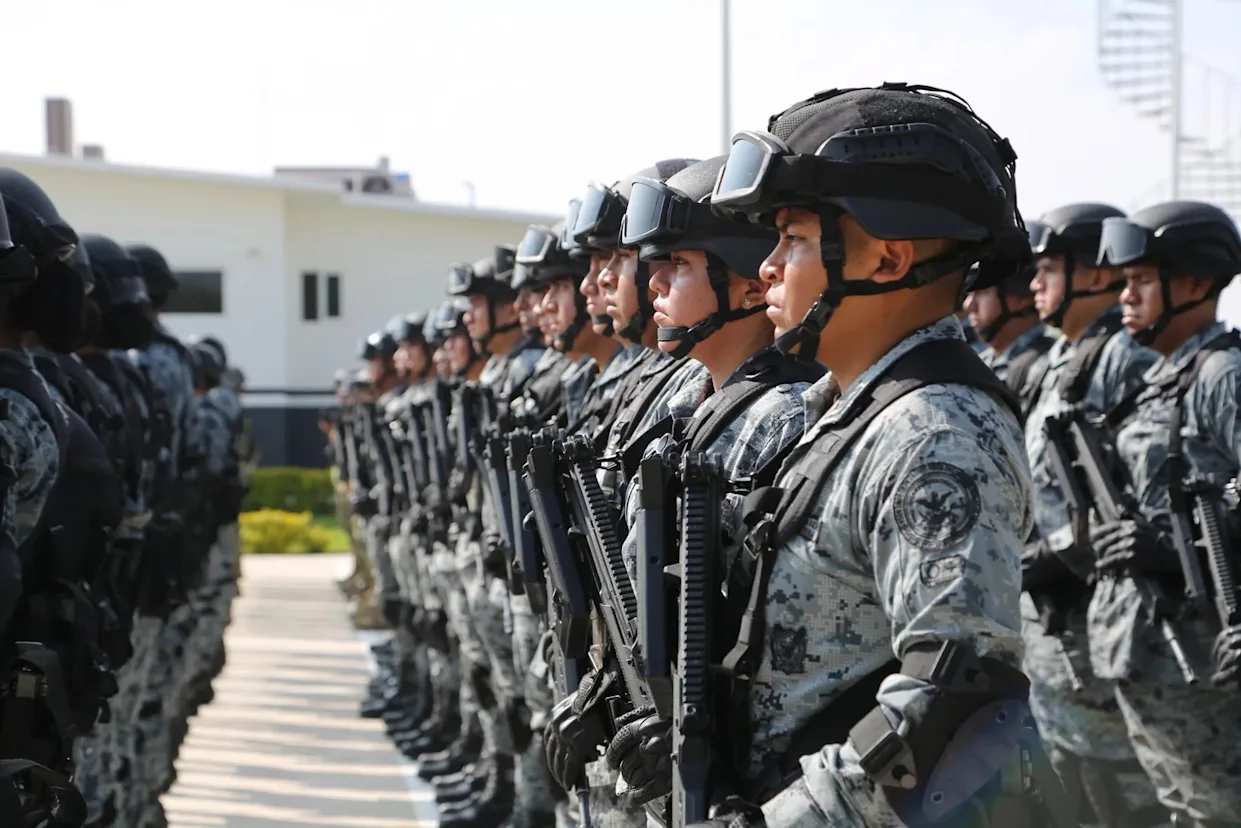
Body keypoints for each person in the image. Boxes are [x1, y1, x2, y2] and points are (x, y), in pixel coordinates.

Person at [698, 82, 1066, 828]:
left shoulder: (932, 432)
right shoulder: (839, 412)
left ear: (889, 259)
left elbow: (954, 698)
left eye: (794, 239)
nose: (766, 266)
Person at [1086, 201, 1241, 826]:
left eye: (1142, 281)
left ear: (1197, 284)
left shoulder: (1222, 375)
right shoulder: (1167, 377)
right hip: (1152, 650)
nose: (1126, 297)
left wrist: (1181, 550)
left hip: (1207, 653)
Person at [1023, 203, 1166, 826]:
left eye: (1050, 269)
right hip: (1063, 648)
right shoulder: (1067, 361)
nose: (1034, 284)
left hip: (1110, 635)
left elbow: (1146, 495)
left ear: (1098, 276)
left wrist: (1058, 555)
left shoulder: (1123, 361)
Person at [964, 261, 1055, 415]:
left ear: (1020, 299)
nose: (969, 305)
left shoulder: (1046, 365)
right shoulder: (978, 363)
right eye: (970, 294)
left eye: (982, 292)